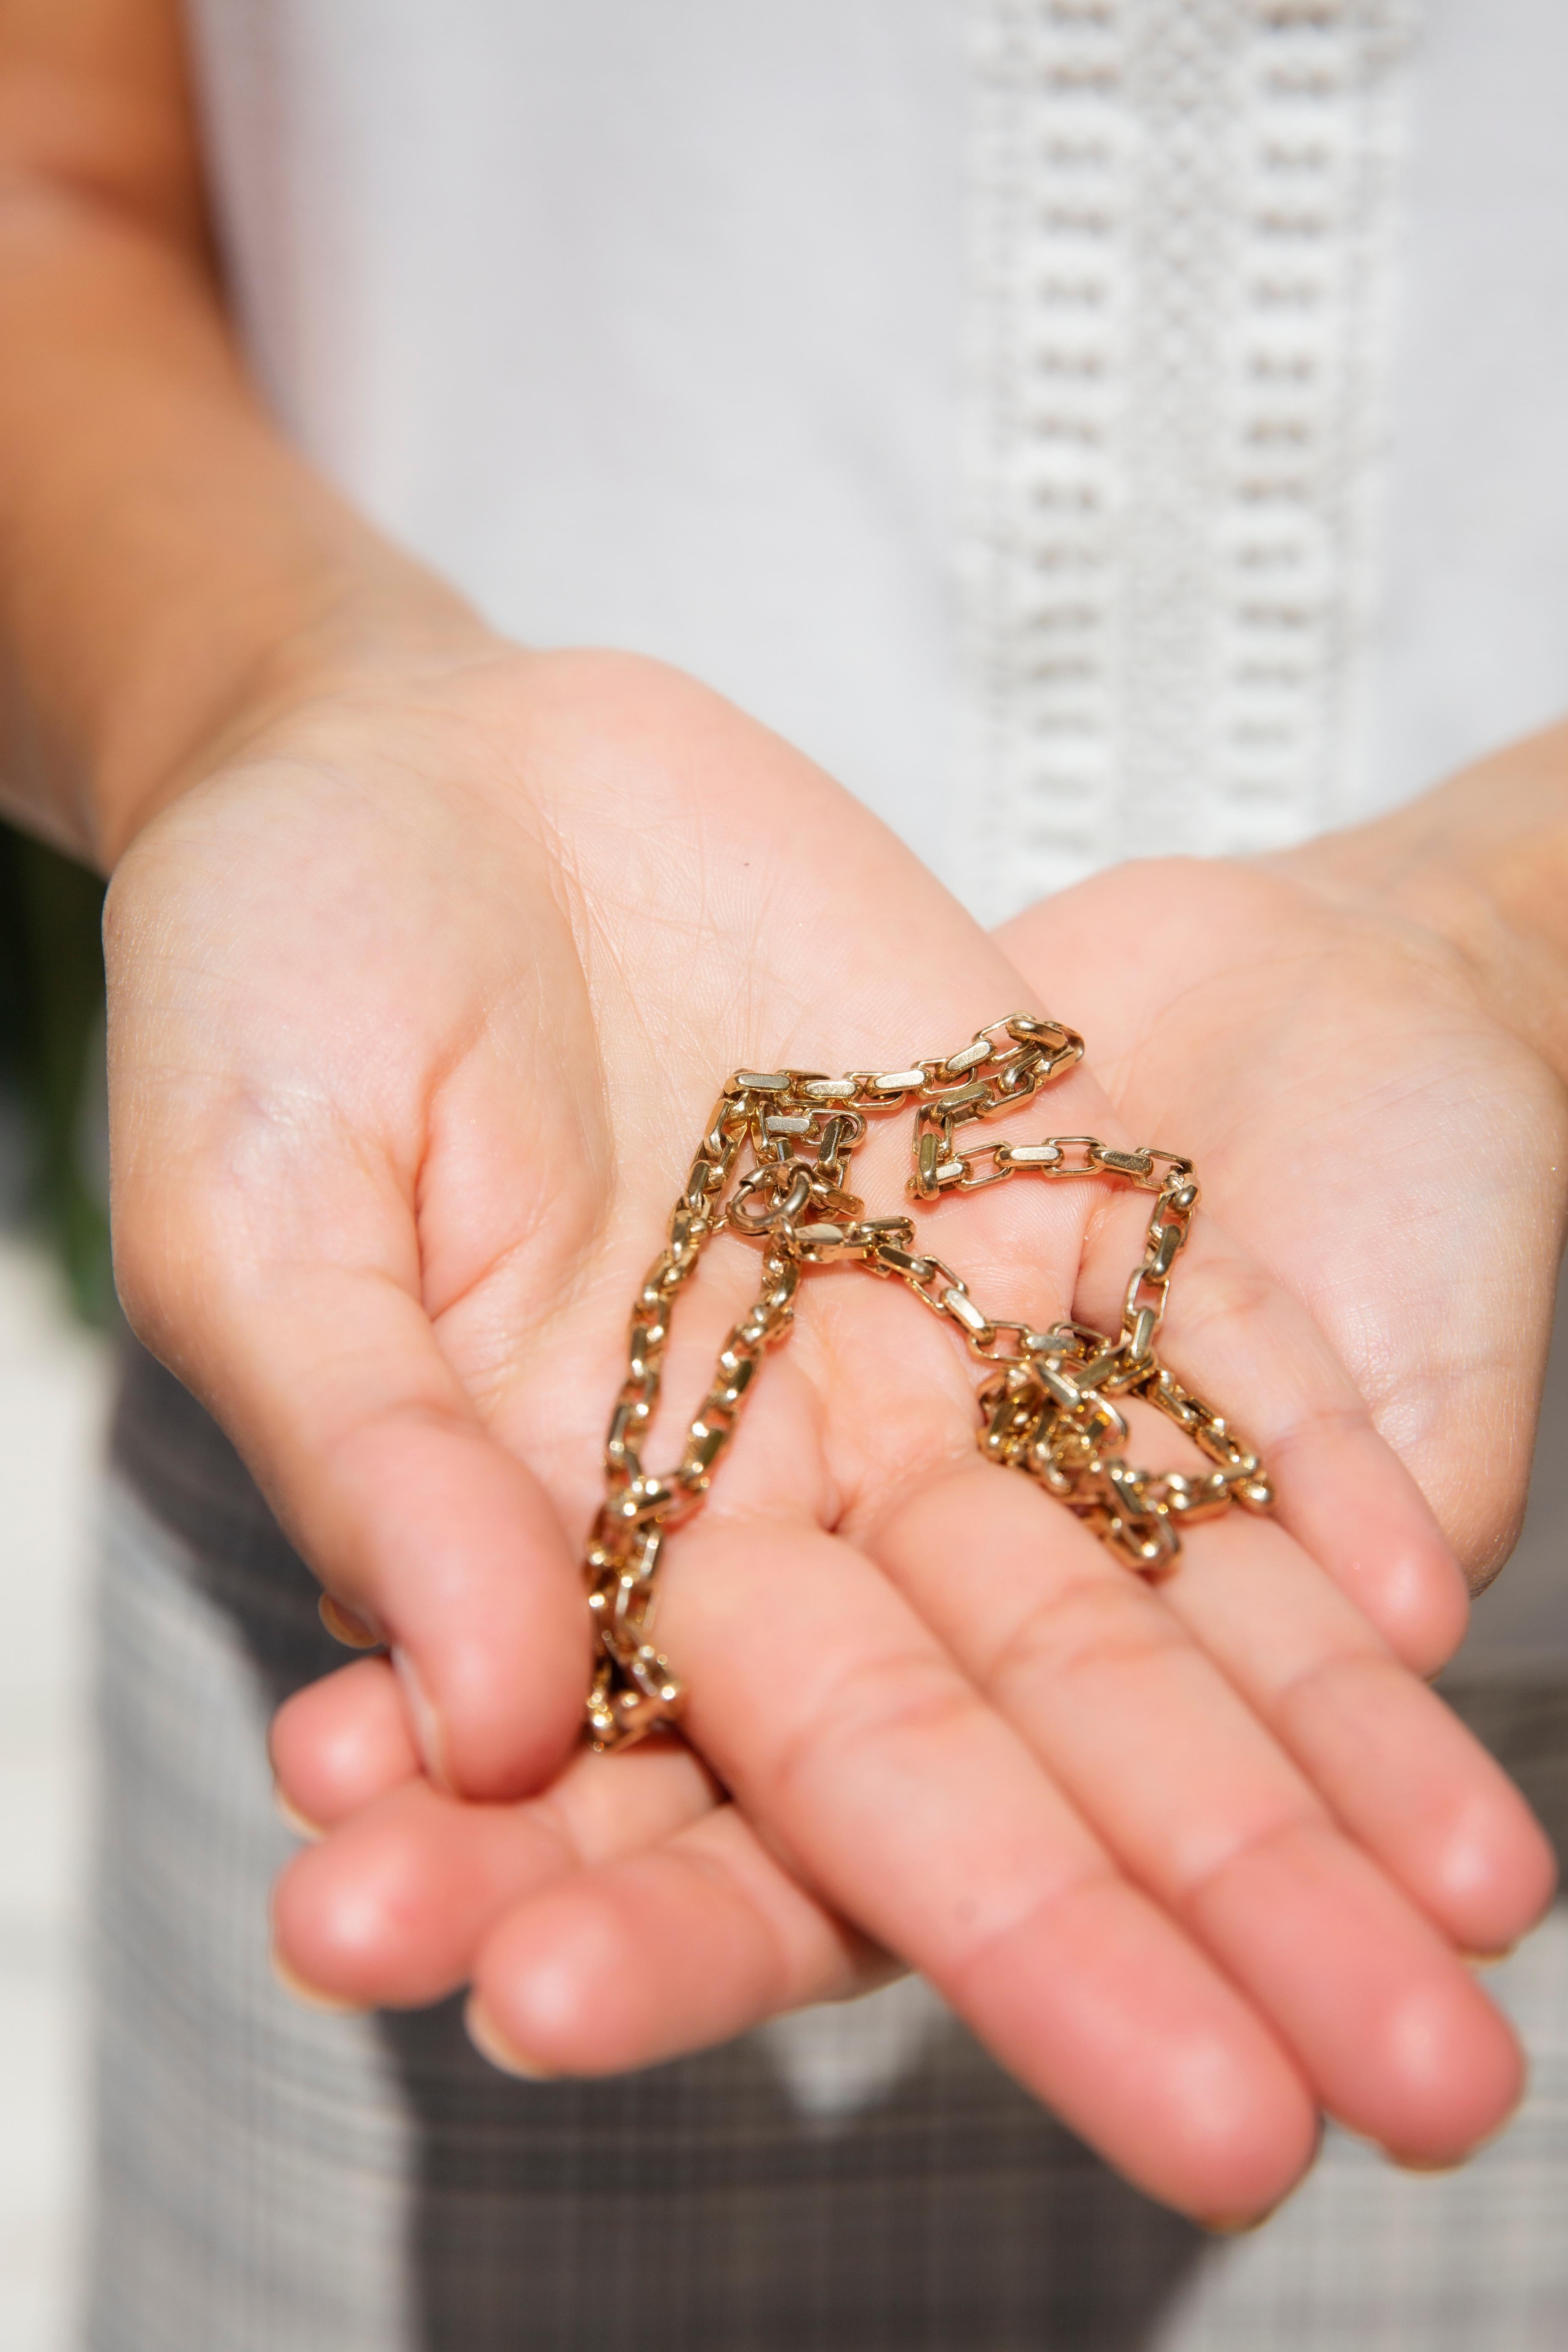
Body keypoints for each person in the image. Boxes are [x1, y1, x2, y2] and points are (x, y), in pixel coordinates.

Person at [2, 2, 1566, 2344]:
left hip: (1447, 1553)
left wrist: (1511, 926)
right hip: (453, 1444)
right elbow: (45, 174)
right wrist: (263, 690)